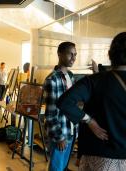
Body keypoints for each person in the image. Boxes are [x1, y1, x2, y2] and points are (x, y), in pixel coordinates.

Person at [57, 32, 126, 171]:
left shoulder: (94, 81)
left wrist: (89, 120)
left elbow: (65, 102)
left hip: (99, 157)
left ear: (110, 53)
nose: (73, 58)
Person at [43, 41, 77, 171]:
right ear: (60, 54)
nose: (73, 58)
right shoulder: (52, 79)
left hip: (71, 130)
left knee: (62, 167)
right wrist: (59, 137)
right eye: (70, 54)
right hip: (60, 133)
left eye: (75, 54)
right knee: (56, 168)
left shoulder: (71, 76)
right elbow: (50, 114)